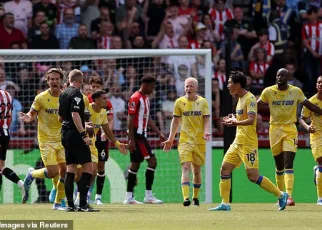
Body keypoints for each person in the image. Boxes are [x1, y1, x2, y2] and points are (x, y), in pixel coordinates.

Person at [208, 71, 288, 211]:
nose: (227, 85)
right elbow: (243, 117)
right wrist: (235, 118)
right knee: (224, 169)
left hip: (248, 144)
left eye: (230, 83)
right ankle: (225, 204)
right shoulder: (240, 99)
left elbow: (251, 120)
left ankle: (281, 195)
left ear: (238, 84)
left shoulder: (250, 98)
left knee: (253, 176)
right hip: (237, 142)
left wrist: (235, 123)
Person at [258, 68, 322, 206]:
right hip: (274, 129)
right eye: (278, 75)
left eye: (282, 75)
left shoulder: (296, 91)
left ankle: (289, 196)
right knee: (279, 165)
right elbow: (256, 106)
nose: (279, 77)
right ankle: (281, 196)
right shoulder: (268, 92)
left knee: (288, 163)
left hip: (290, 129)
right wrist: (240, 115)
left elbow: (309, 105)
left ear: (288, 77)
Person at [20, 68, 67, 210]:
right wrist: (28, 118)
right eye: (51, 79)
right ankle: (32, 174)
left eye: (57, 79)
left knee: (64, 170)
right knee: (53, 171)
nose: (54, 81)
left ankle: (58, 202)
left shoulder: (65, 97)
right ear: (47, 81)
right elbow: (32, 113)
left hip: (61, 139)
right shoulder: (41, 97)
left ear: (61, 81)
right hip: (46, 140)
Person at [162, 77, 211, 206]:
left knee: (197, 170)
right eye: (187, 86)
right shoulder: (179, 102)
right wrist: (171, 138)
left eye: (191, 86)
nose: (188, 88)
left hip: (199, 141)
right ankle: (186, 198)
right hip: (185, 141)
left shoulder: (203, 102)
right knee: (185, 167)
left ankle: (195, 197)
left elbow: (206, 119)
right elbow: (175, 121)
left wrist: (206, 131)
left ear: (196, 88)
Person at [74, 89, 128, 206]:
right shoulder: (86, 108)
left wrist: (118, 144)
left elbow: (107, 130)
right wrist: (85, 125)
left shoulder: (103, 112)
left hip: (92, 145)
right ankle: (57, 184)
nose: (106, 100)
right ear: (96, 100)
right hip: (79, 142)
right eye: (103, 98)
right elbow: (74, 120)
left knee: (93, 171)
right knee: (75, 175)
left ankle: (80, 197)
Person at [58, 69, 97, 212]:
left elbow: (60, 118)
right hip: (75, 134)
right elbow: (75, 115)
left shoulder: (63, 94)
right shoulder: (77, 94)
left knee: (71, 168)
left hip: (65, 133)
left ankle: (70, 205)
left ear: (69, 79)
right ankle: (83, 204)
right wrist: (84, 135)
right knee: (89, 168)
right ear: (81, 80)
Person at [124, 76, 166, 204]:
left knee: (135, 165)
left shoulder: (146, 99)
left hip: (142, 135)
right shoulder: (135, 98)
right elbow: (130, 120)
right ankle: (148, 195)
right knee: (152, 162)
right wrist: (131, 140)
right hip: (137, 136)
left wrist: (159, 133)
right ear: (145, 85)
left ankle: (129, 197)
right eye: (152, 87)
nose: (153, 90)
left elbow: (148, 119)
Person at [88, 75, 114, 205]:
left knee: (100, 167)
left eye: (97, 87)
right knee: (87, 168)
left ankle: (98, 196)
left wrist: (106, 133)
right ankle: (85, 193)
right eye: (93, 87)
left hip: (101, 138)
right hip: (88, 139)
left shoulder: (107, 103)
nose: (94, 89)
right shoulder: (86, 101)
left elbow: (110, 120)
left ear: (102, 88)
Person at [299, 76, 322, 205]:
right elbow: (301, 118)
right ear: (316, 85)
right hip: (317, 135)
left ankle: (317, 171)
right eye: (319, 82)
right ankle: (320, 198)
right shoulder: (311, 102)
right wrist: (307, 127)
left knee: (321, 167)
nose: (320, 85)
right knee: (321, 162)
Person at [0, 89, 25, 201]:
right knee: (1, 167)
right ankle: (21, 183)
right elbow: (9, 116)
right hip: (5, 133)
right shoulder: (7, 94)